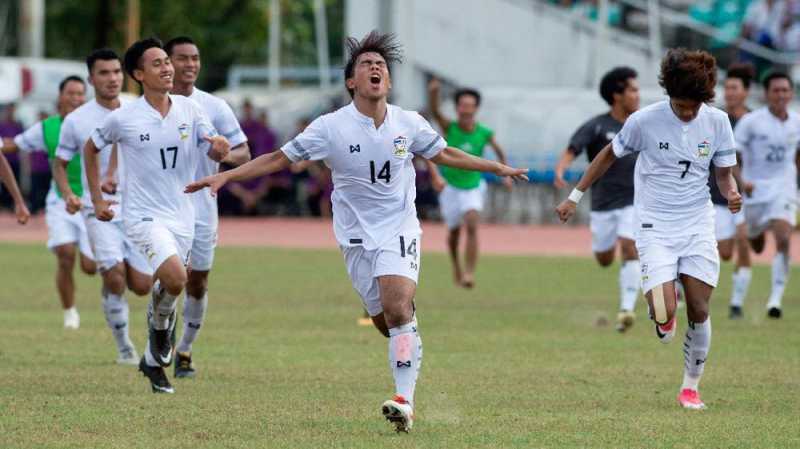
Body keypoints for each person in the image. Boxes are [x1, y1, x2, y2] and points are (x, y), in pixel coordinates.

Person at [185, 30, 528, 432]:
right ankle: (407, 340)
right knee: (387, 321)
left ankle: (404, 400)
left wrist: (496, 167)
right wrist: (226, 178)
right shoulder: (330, 127)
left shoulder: (408, 123)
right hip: (353, 237)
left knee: (398, 307)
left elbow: (446, 152)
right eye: (366, 65)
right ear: (352, 81)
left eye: (380, 65)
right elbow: (279, 159)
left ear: (389, 80)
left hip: (399, 228)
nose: (375, 69)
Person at [557, 48, 742, 410]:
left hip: (697, 222)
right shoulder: (644, 120)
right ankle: (663, 315)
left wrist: (732, 193)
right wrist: (575, 196)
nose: (688, 113)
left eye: (694, 106)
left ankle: (690, 387)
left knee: (700, 308)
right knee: (663, 310)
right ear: (669, 93)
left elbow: (723, 174)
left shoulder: (718, 121)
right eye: (682, 105)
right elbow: (608, 155)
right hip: (655, 223)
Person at [86, 37, 230, 394]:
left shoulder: (189, 109)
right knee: (177, 277)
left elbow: (211, 141)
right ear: (138, 74)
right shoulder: (125, 117)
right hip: (144, 215)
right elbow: (91, 149)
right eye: (157, 63)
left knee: (176, 283)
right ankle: (160, 324)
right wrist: (98, 200)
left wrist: (219, 147)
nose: (167, 68)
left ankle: (152, 361)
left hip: (184, 214)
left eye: (167, 61)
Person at [54, 49, 153, 364]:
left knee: (141, 285)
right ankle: (124, 347)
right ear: (91, 79)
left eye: (116, 72)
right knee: (113, 275)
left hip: (140, 206)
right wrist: (70, 192)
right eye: (104, 73)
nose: (112, 78)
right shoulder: (76, 120)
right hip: (97, 208)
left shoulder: (140, 109)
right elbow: (60, 163)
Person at [165, 36, 251, 378]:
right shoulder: (154, 107)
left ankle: (184, 347)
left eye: (195, 58)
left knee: (196, 282)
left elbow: (244, 152)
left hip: (202, 207)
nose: (190, 64)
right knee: (168, 277)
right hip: (164, 206)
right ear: (167, 63)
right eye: (182, 58)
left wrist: (224, 155)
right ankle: (161, 333)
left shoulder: (214, 106)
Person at [553, 67, 641, 332]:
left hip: (635, 201)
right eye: (633, 90)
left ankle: (626, 309)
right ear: (617, 95)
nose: (638, 95)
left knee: (629, 246)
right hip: (603, 204)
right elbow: (573, 148)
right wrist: (561, 170)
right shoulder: (598, 125)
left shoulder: (642, 123)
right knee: (604, 258)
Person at [8, 76, 97, 328]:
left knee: (90, 267)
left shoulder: (96, 124)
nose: (76, 98)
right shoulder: (47, 127)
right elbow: (16, 144)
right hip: (60, 200)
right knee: (65, 255)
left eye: (81, 93)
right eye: (71, 93)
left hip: (93, 200)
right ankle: (70, 311)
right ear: (61, 96)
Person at [426, 79, 512, 289]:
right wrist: (434, 93)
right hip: (451, 187)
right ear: (457, 108)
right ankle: (456, 265)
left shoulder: (484, 133)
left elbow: (499, 150)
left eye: (470, 105)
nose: (466, 109)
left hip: (473, 185)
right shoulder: (450, 127)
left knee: (472, 223)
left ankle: (469, 273)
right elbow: (435, 111)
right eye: (462, 105)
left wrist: (506, 172)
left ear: (476, 108)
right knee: (454, 232)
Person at [735, 70, 800, 319]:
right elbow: (734, 157)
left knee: (783, 236)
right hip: (755, 190)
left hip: (783, 188)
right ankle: (755, 233)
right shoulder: (751, 122)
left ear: (791, 93)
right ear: (766, 94)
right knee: (756, 243)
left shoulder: (796, 121)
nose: (781, 95)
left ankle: (775, 299)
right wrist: (742, 182)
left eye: (785, 90)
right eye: (776, 90)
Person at [711, 63, 755, 319]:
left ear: (746, 92)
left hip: (746, 196)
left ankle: (737, 304)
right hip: (717, 195)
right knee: (724, 252)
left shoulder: (754, 121)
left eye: (734, 88)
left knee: (744, 241)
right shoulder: (715, 119)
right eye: (726, 87)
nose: (729, 92)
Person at [0, 104, 24, 212]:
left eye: (12, 110)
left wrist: (19, 201)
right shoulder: (2, 125)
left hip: (14, 160)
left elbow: (21, 143)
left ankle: (11, 204)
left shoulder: (18, 125)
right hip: (6, 158)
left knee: (13, 180)